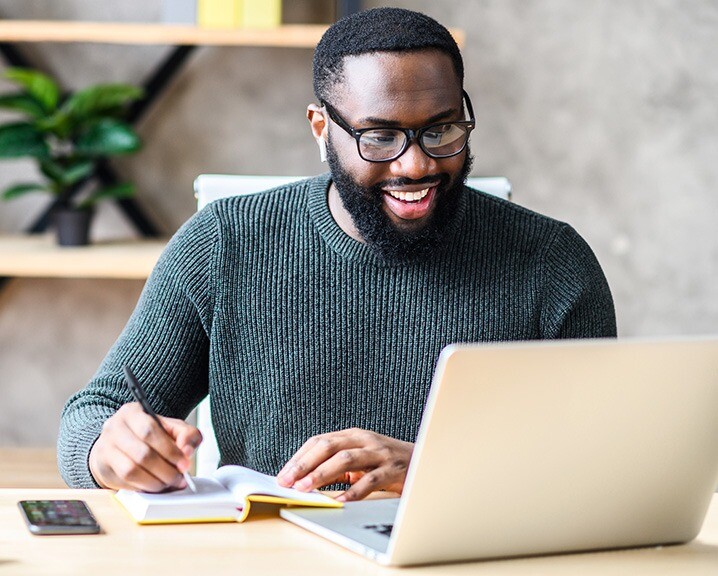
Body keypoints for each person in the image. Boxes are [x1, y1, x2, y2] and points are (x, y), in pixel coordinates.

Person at [58, 8, 616, 501]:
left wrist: (429, 468)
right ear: (321, 129)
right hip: (270, 558)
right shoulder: (224, 244)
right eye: (378, 137)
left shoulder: (553, 262)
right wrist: (110, 451)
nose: (414, 166)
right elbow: (90, 417)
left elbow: (605, 465)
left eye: (441, 130)